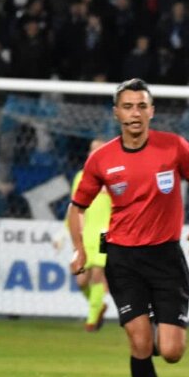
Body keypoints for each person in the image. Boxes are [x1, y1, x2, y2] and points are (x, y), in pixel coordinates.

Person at [67, 78, 189, 377]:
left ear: (152, 110)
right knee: (139, 345)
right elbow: (77, 207)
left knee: (172, 351)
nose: (135, 113)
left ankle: (151, 324)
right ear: (116, 112)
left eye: (141, 106)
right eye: (128, 106)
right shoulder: (102, 159)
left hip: (166, 257)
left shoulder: (174, 147)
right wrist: (79, 249)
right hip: (123, 258)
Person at [67, 139, 113, 331]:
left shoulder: (114, 177)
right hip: (86, 233)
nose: (92, 154)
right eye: (91, 150)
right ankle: (99, 305)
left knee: (97, 274)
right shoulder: (81, 176)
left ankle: (92, 320)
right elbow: (75, 207)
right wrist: (72, 234)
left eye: (97, 150)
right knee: (80, 280)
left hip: (105, 233)